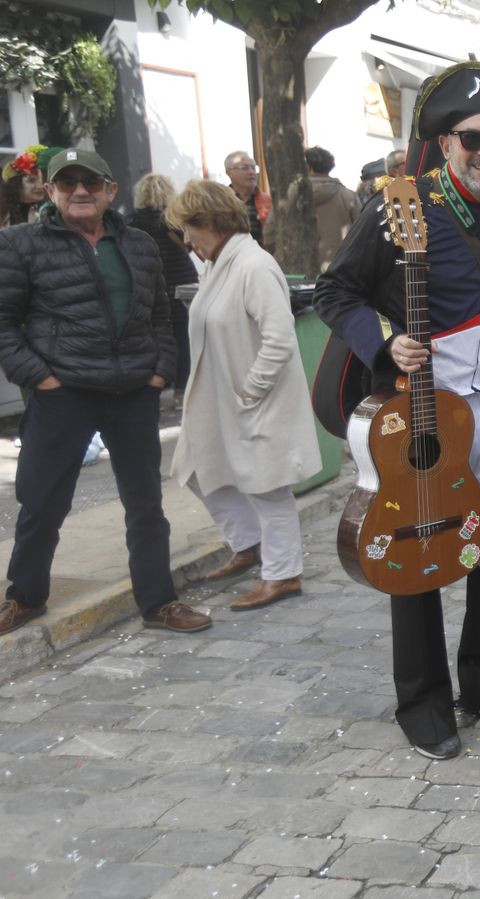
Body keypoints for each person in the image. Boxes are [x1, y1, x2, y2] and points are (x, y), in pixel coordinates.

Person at [316, 61, 480, 760]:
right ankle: (421, 698)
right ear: (446, 143)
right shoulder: (401, 205)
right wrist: (386, 344)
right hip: (422, 413)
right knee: (415, 541)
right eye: (472, 138)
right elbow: (336, 292)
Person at [0, 148, 203, 638]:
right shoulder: (20, 244)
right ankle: (24, 596)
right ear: (50, 192)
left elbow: (160, 314)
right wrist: (39, 377)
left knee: (145, 503)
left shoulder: (138, 243)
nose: (80, 191)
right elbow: (4, 323)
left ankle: (159, 602)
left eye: (90, 182)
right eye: (67, 183)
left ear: (111, 190)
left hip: (132, 392)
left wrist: (160, 371)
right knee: (43, 502)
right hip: (62, 393)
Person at [167, 180, 320, 611]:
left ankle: (283, 574)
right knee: (196, 469)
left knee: (267, 488)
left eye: (188, 227)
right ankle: (248, 543)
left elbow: (280, 339)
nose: (187, 239)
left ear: (210, 221)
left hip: (252, 399)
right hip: (219, 399)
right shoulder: (219, 264)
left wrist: (251, 389)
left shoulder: (253, 265)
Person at [129, 174, 197, 406]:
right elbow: (189, 246)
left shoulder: (132, 221)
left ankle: (156, 385)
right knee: (182, 337)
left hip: (149, 283)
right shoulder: (173, 219)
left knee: (153, 336)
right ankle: (181, 390)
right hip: (180, 282)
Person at [305, 146, 360, 272]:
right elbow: (362, 233)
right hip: (340, 268)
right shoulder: (349, 196)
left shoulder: (290, 197)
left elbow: (269, 234)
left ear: (308, 167)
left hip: (300, 272)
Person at [224, 150, 271, 245]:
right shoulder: (221, 201)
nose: (251, 172)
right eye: (245, 168)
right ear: (229, 172)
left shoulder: (268, 200)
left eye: (254, 168)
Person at [1, 144, 47, 228]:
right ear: (15, 185)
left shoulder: (48, 211)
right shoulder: (3, 214)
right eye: (32, 181)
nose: (41, 186)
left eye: (41, 180)